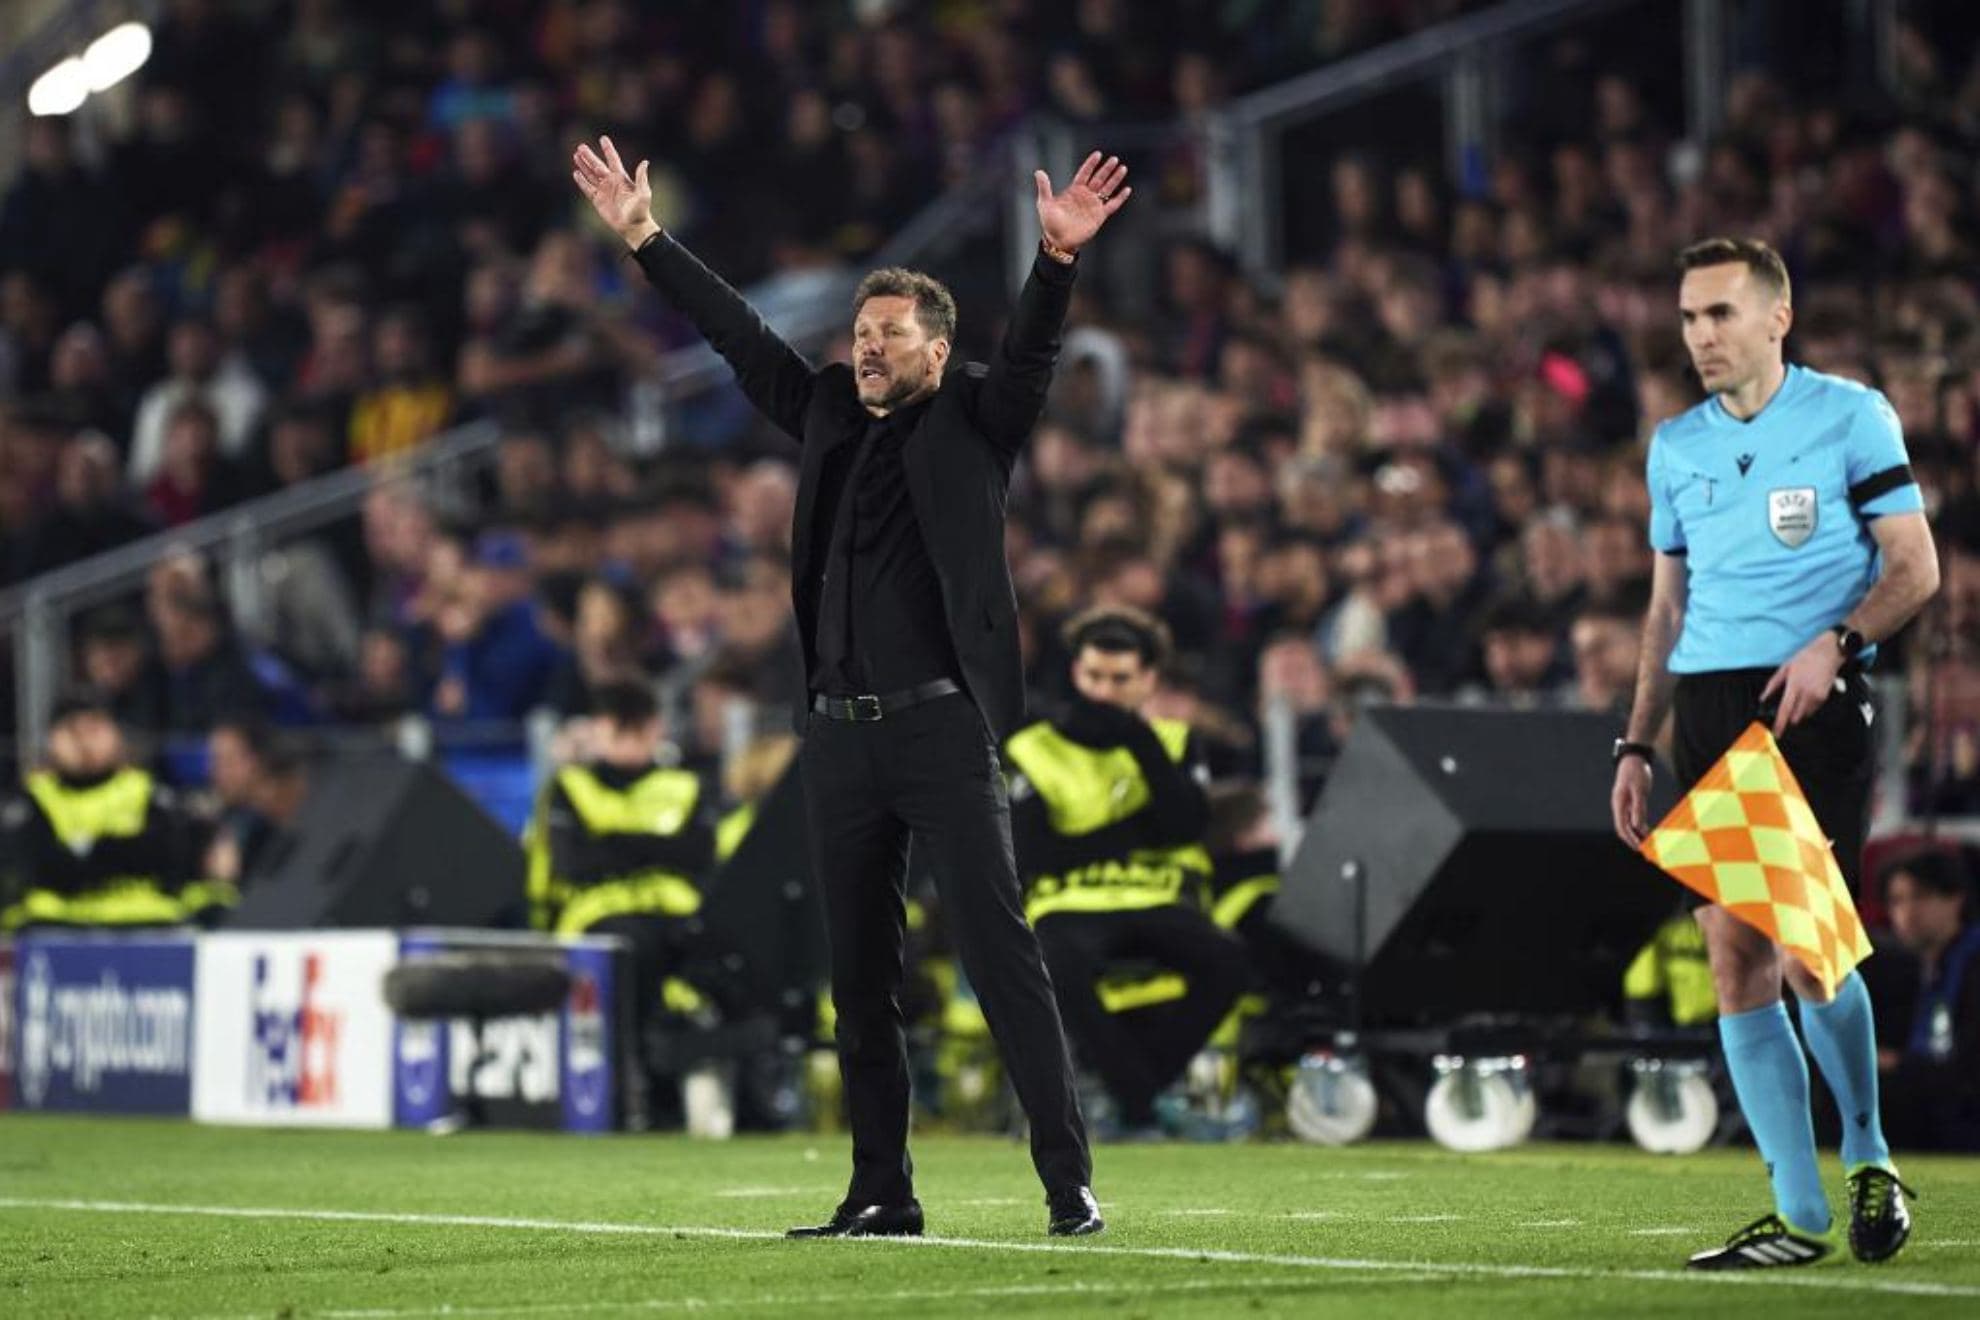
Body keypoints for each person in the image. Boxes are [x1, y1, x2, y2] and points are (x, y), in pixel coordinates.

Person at [574, 133, 1130, 1238]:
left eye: (890, 336)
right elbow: (736, 335)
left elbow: (1028, 356)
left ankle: (1067, 1181)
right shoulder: (826, 409)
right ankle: (883, 1190)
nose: (868, 349)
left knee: (996, 953)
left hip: (940, 730)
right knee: (859, 984)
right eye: (862, 333)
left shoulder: (977, 418)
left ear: (937, 348)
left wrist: (1057, 262)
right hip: (838, 742)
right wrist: (646, 240)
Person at [1610, 237, 1940, 1269]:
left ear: (1775, 318)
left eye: (1719, 314)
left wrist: (1836, 643)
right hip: (1709, 709)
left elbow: (1915, 567)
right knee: (1735, 956)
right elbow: (1667, 607)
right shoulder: (1676, 445)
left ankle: (1871, 1157)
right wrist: (1636, 740)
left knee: (1809, 948)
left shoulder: (1850, 415)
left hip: (1814, 702)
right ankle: (1798, 1216)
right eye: (1688, 317)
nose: (1700, 335)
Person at [1006, 606, 1247, 1139]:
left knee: (1229, 960)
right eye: (1094, 676)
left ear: (1148, 680)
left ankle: (1122, 1087)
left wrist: (1137, 742)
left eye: (1120, 680)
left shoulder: (1174, 742)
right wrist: (1140, 833)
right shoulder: (1034, 746)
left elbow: (1186, 826)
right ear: (1075, 673)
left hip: (1156, 900)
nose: (1104, 692)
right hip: (1070, 906)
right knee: (1056, 964)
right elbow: (1035, 855)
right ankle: (1140, 1104)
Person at [524, 680, 715, 1105]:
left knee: (727, 951)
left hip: (675, 911)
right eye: (617, 731)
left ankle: (735, 1084)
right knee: (633, 949)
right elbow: (573, 864)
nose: (628, 744)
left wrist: (613, 842)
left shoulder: (686, 785)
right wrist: (655, 848)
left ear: (656, 729)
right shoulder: (569, 787)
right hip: (597, 914)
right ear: (596, 729)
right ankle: (636, 1079)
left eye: (637, 731)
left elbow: (699, 855)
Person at [1, 691, 196, 931]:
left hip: (142, 924)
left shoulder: (148, 793)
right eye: (72, 731)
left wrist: (87, 853)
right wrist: (118, 849)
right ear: (51, 739)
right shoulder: (31, 800)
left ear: (116, 734)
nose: (84, 742)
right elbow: (42, 868)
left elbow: (166, 857)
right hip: (59, 927)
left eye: (94, 729)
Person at [1876, 851, 1980, 1151]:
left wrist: (1898, 1064)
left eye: (1920, 896)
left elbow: (1967, 1068)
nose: (1907, 911)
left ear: (1955, 899)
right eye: (1896, 900)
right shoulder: (1913, 969)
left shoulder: (1972, 965)